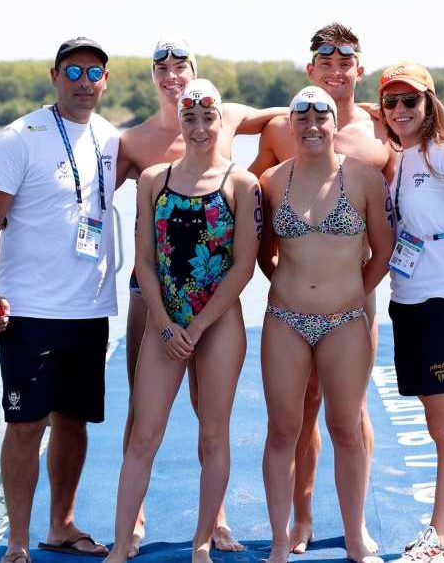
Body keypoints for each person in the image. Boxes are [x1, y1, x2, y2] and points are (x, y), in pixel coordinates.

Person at [117, 38, 284, 555]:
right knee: (144, 432)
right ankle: (122, 544)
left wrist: (196, 326)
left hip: (218, 323)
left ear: (220, 120)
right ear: (181, 121)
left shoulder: (241, 183)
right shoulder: (152, 177)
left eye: (207, 117)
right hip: (165, 318)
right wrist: (167, 324)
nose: (199, 127)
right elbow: (144, 261)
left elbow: (242, 267)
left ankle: (202, 543)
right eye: (190, 118)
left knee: (215, 434)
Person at [0, 37, 120, 563]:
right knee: (26, 425)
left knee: (75, 421)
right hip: (29, 310)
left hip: (89, 308)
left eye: (94, 73)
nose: (85, 82)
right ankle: (16, 540)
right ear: (55, 76)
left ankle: (61, 525)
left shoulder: (109, 137)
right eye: (74, 71)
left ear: (106, 81)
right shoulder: (19, 137)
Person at [248, 22, 392, 554]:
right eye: (301, 114)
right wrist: (287, 289)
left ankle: (355, 534)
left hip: (349, 314)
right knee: (286, 426)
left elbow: (387, 244)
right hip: (287, 315)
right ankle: (288, 533)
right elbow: (256, 242)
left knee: (348, 423)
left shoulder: (375, 147)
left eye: (320, 116)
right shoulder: (273, 173)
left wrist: (355, 293)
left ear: (358, 67)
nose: (312, 123)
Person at [377, 63, 444, 562]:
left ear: (430, 103)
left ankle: (439, 538)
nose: (400, 110)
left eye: (410, 101)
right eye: (390, 102)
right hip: (407, 299)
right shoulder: (399, 159)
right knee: (440, 417)